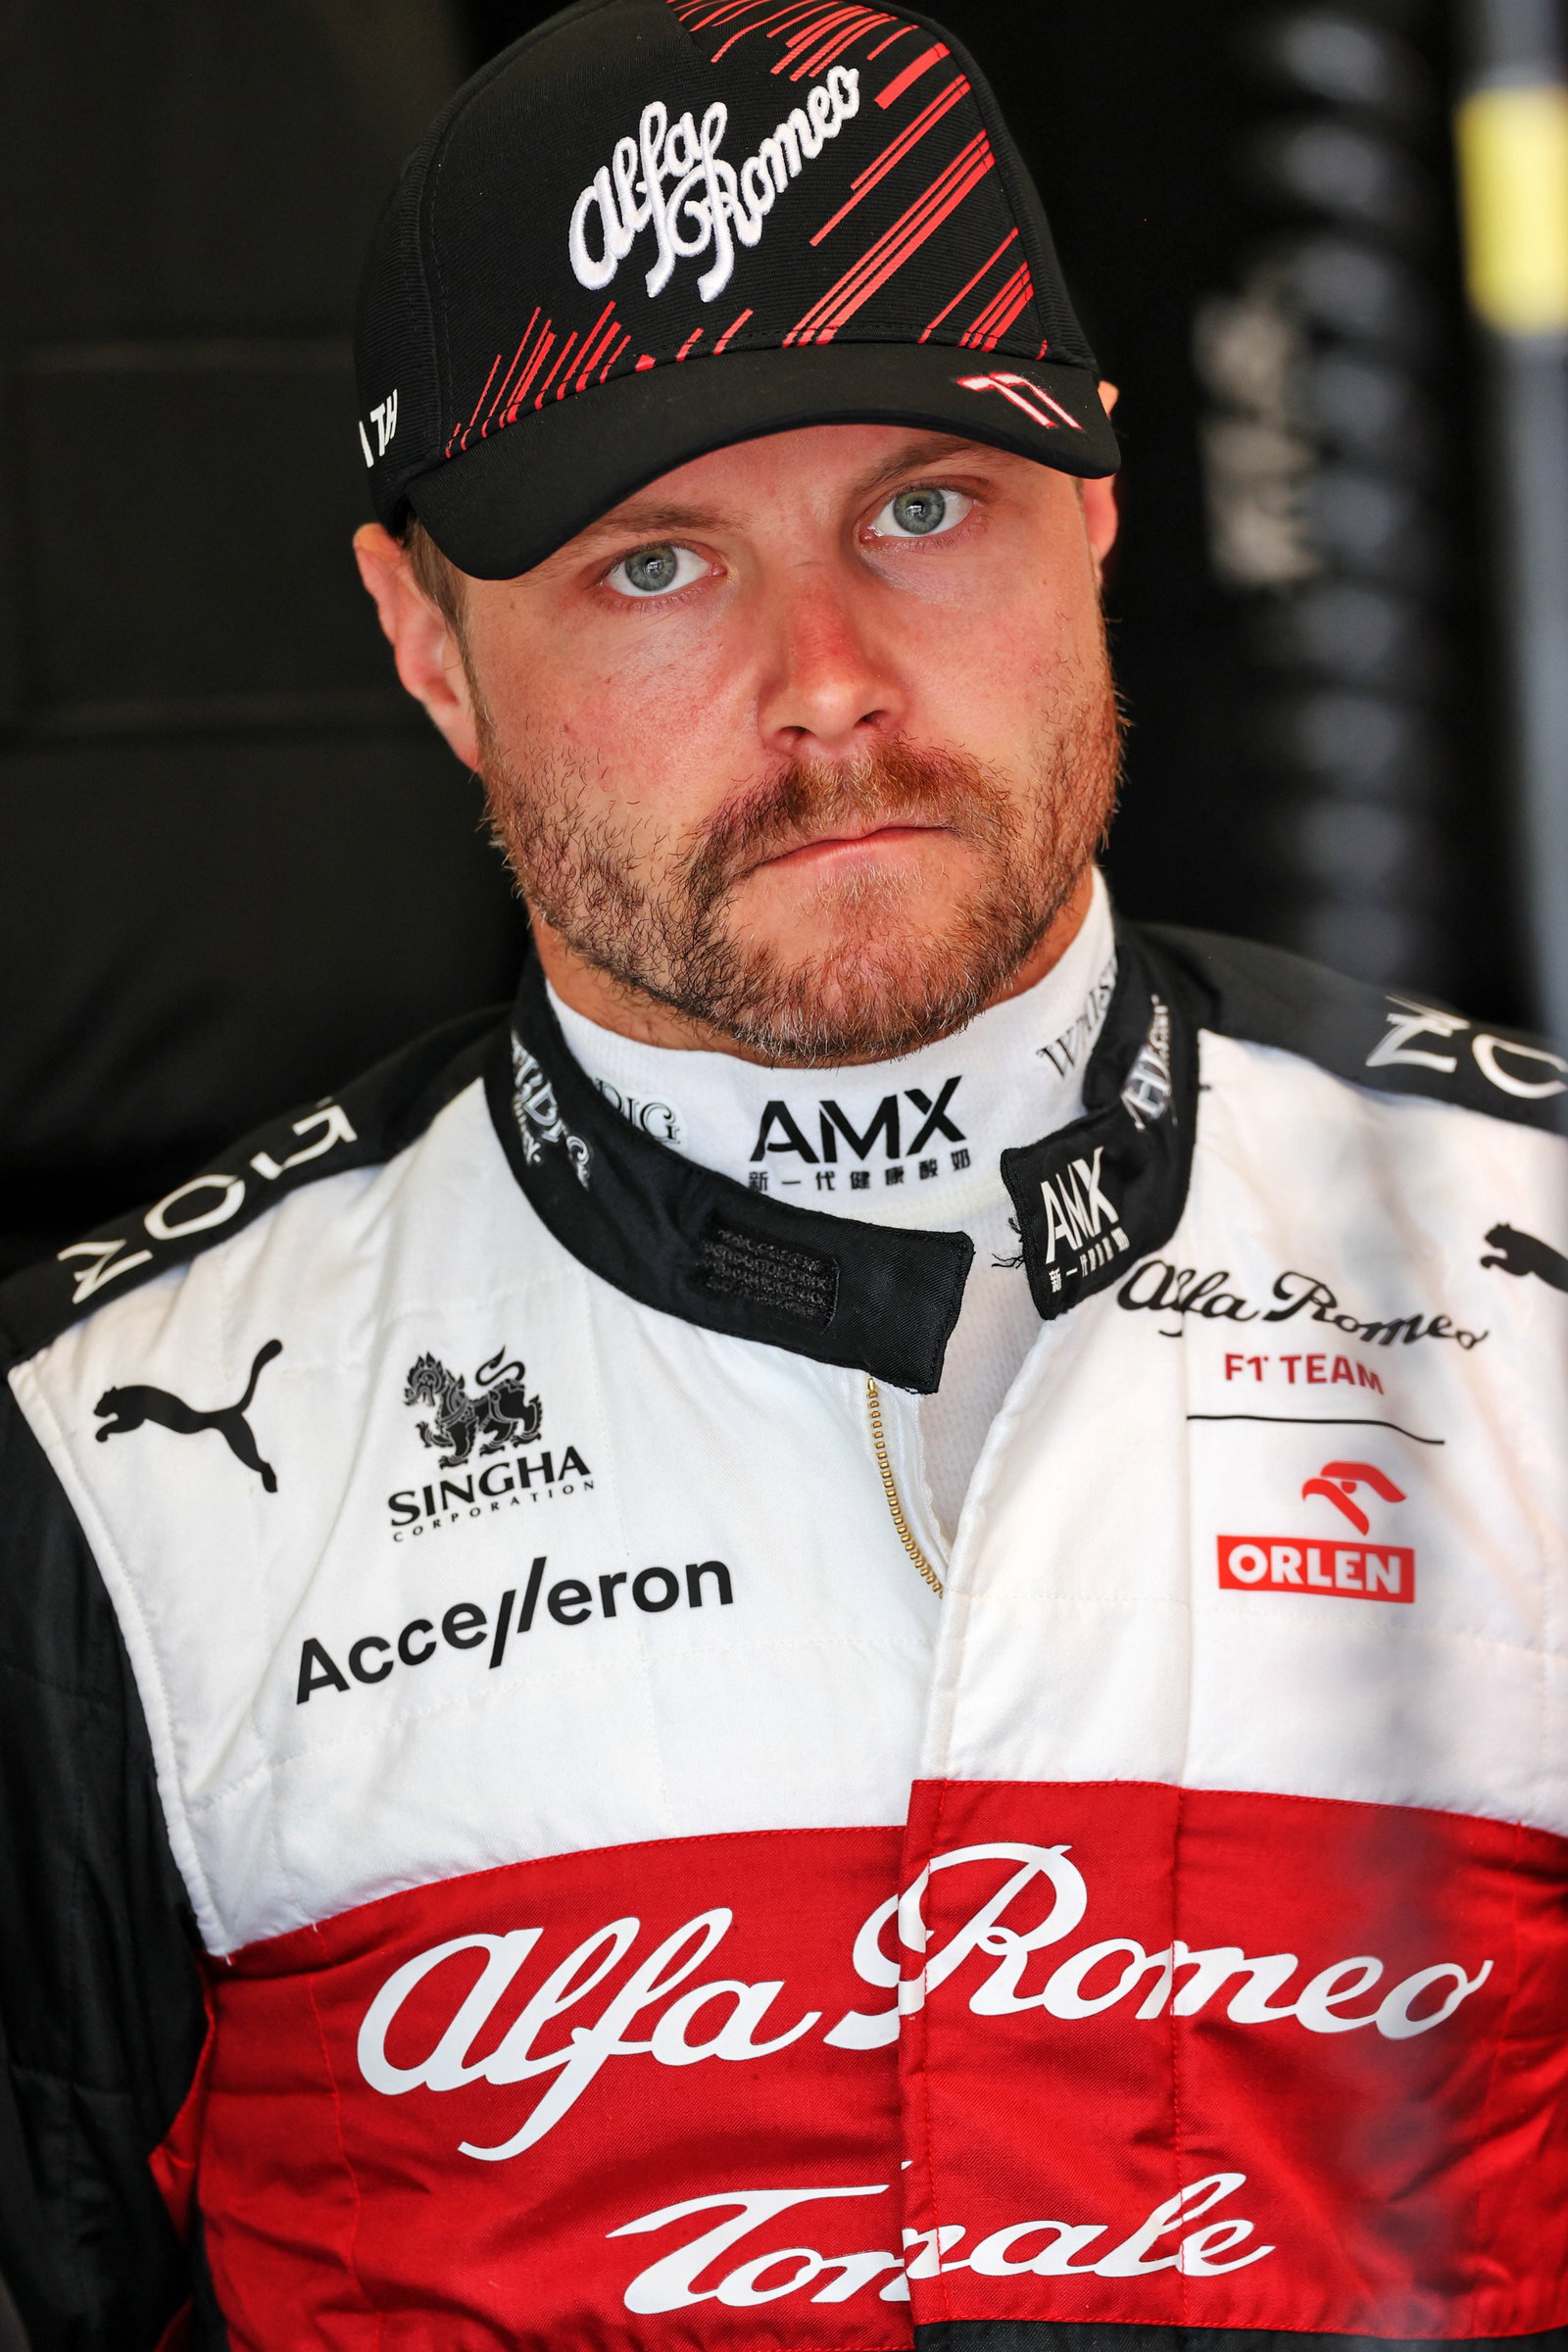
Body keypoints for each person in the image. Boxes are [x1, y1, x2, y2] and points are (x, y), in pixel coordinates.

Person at [2, 1, 1566, 2345]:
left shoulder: (1527, 1289)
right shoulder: (101, 1467)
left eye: (920, 510)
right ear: (424, 638)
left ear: (1104, 513)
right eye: (652, 565)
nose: (826, 675)